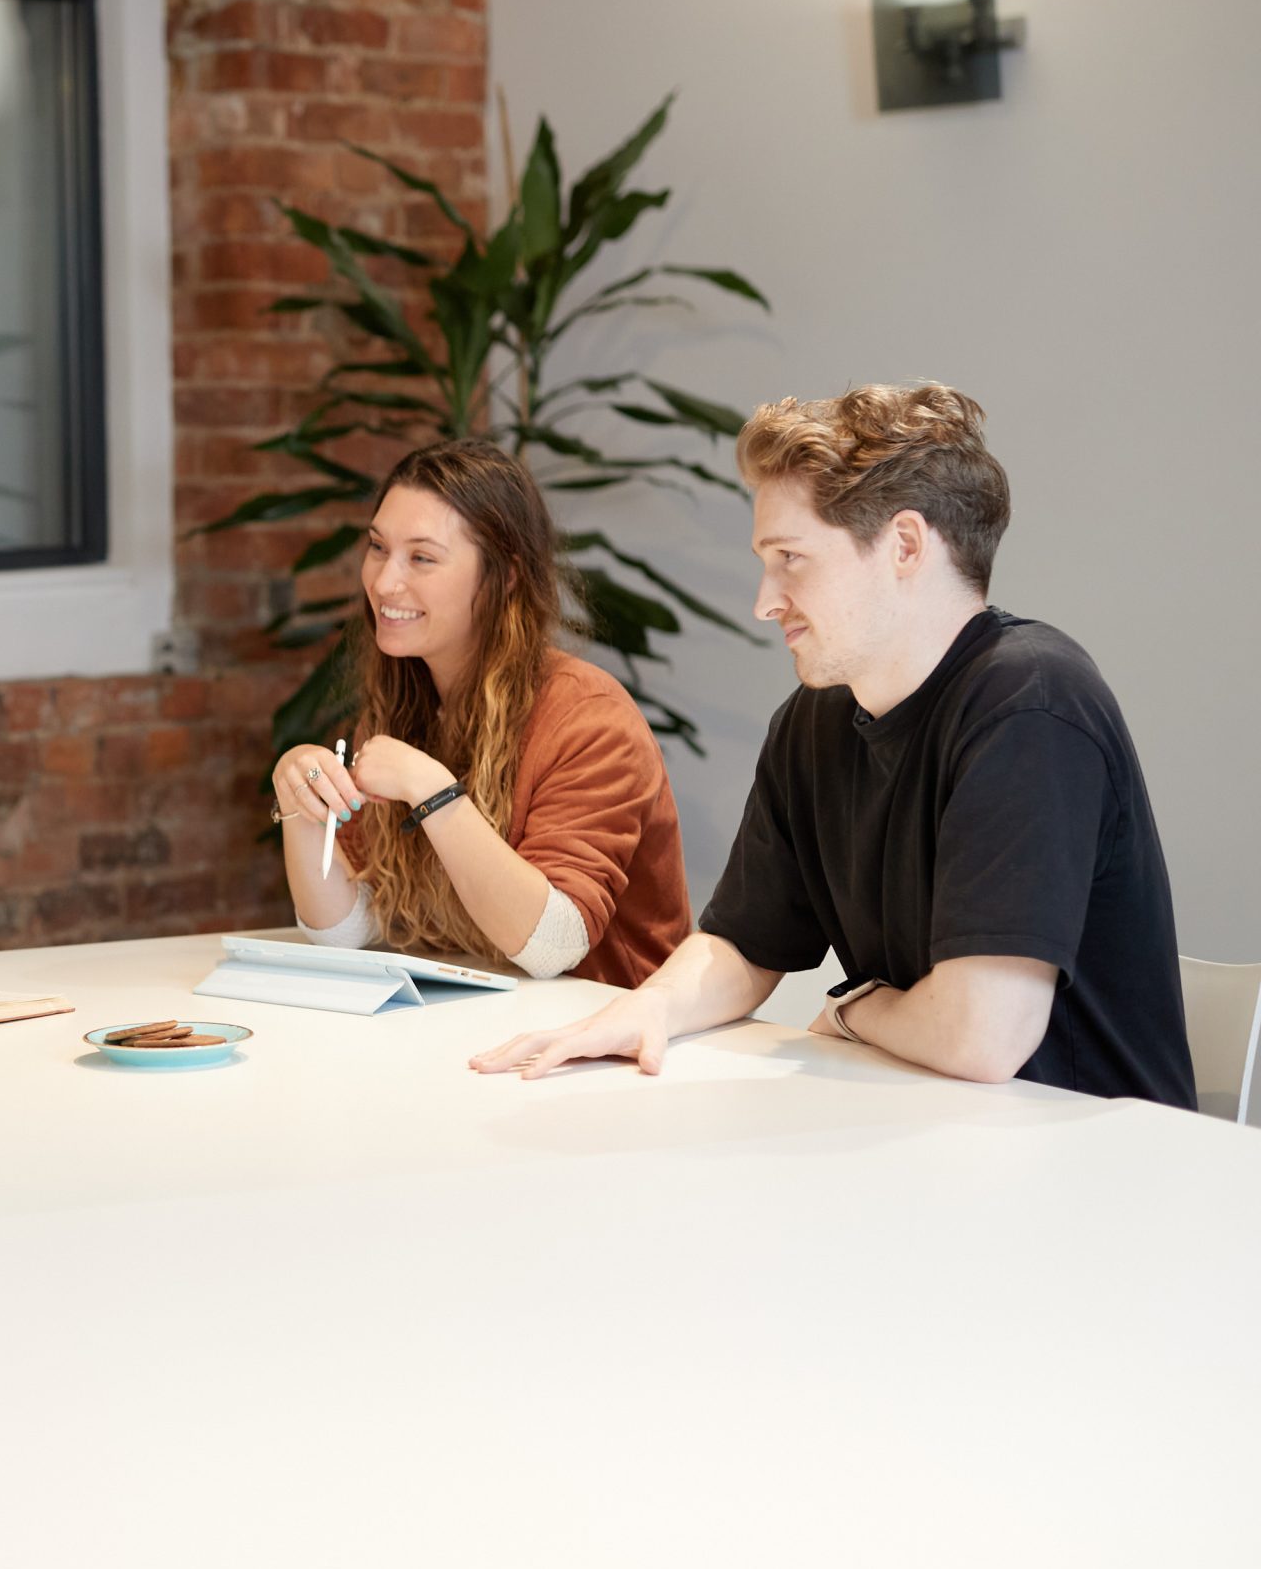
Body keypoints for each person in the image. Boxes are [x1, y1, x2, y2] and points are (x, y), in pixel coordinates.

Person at [472, 384, 1194, 1106]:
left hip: (1094, 1168)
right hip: (925, 1129)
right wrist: (645, 1010)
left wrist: (853, 1008)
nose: (764, 600)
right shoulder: (814, 723)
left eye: (791, 558)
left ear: (905, 544)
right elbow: (744, 945)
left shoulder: (1031, 704)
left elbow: (983, 1036)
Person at [272, 438, 691, 984]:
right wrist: (301, 806)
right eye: (378, 548)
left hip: (608, 1046)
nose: (382, 581)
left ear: (504, 575)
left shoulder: (589, 716)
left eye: (421, 557)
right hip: (479, 1034)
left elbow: (552, 946)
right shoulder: (406, 699)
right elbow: (347, 931)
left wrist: (435, 793)